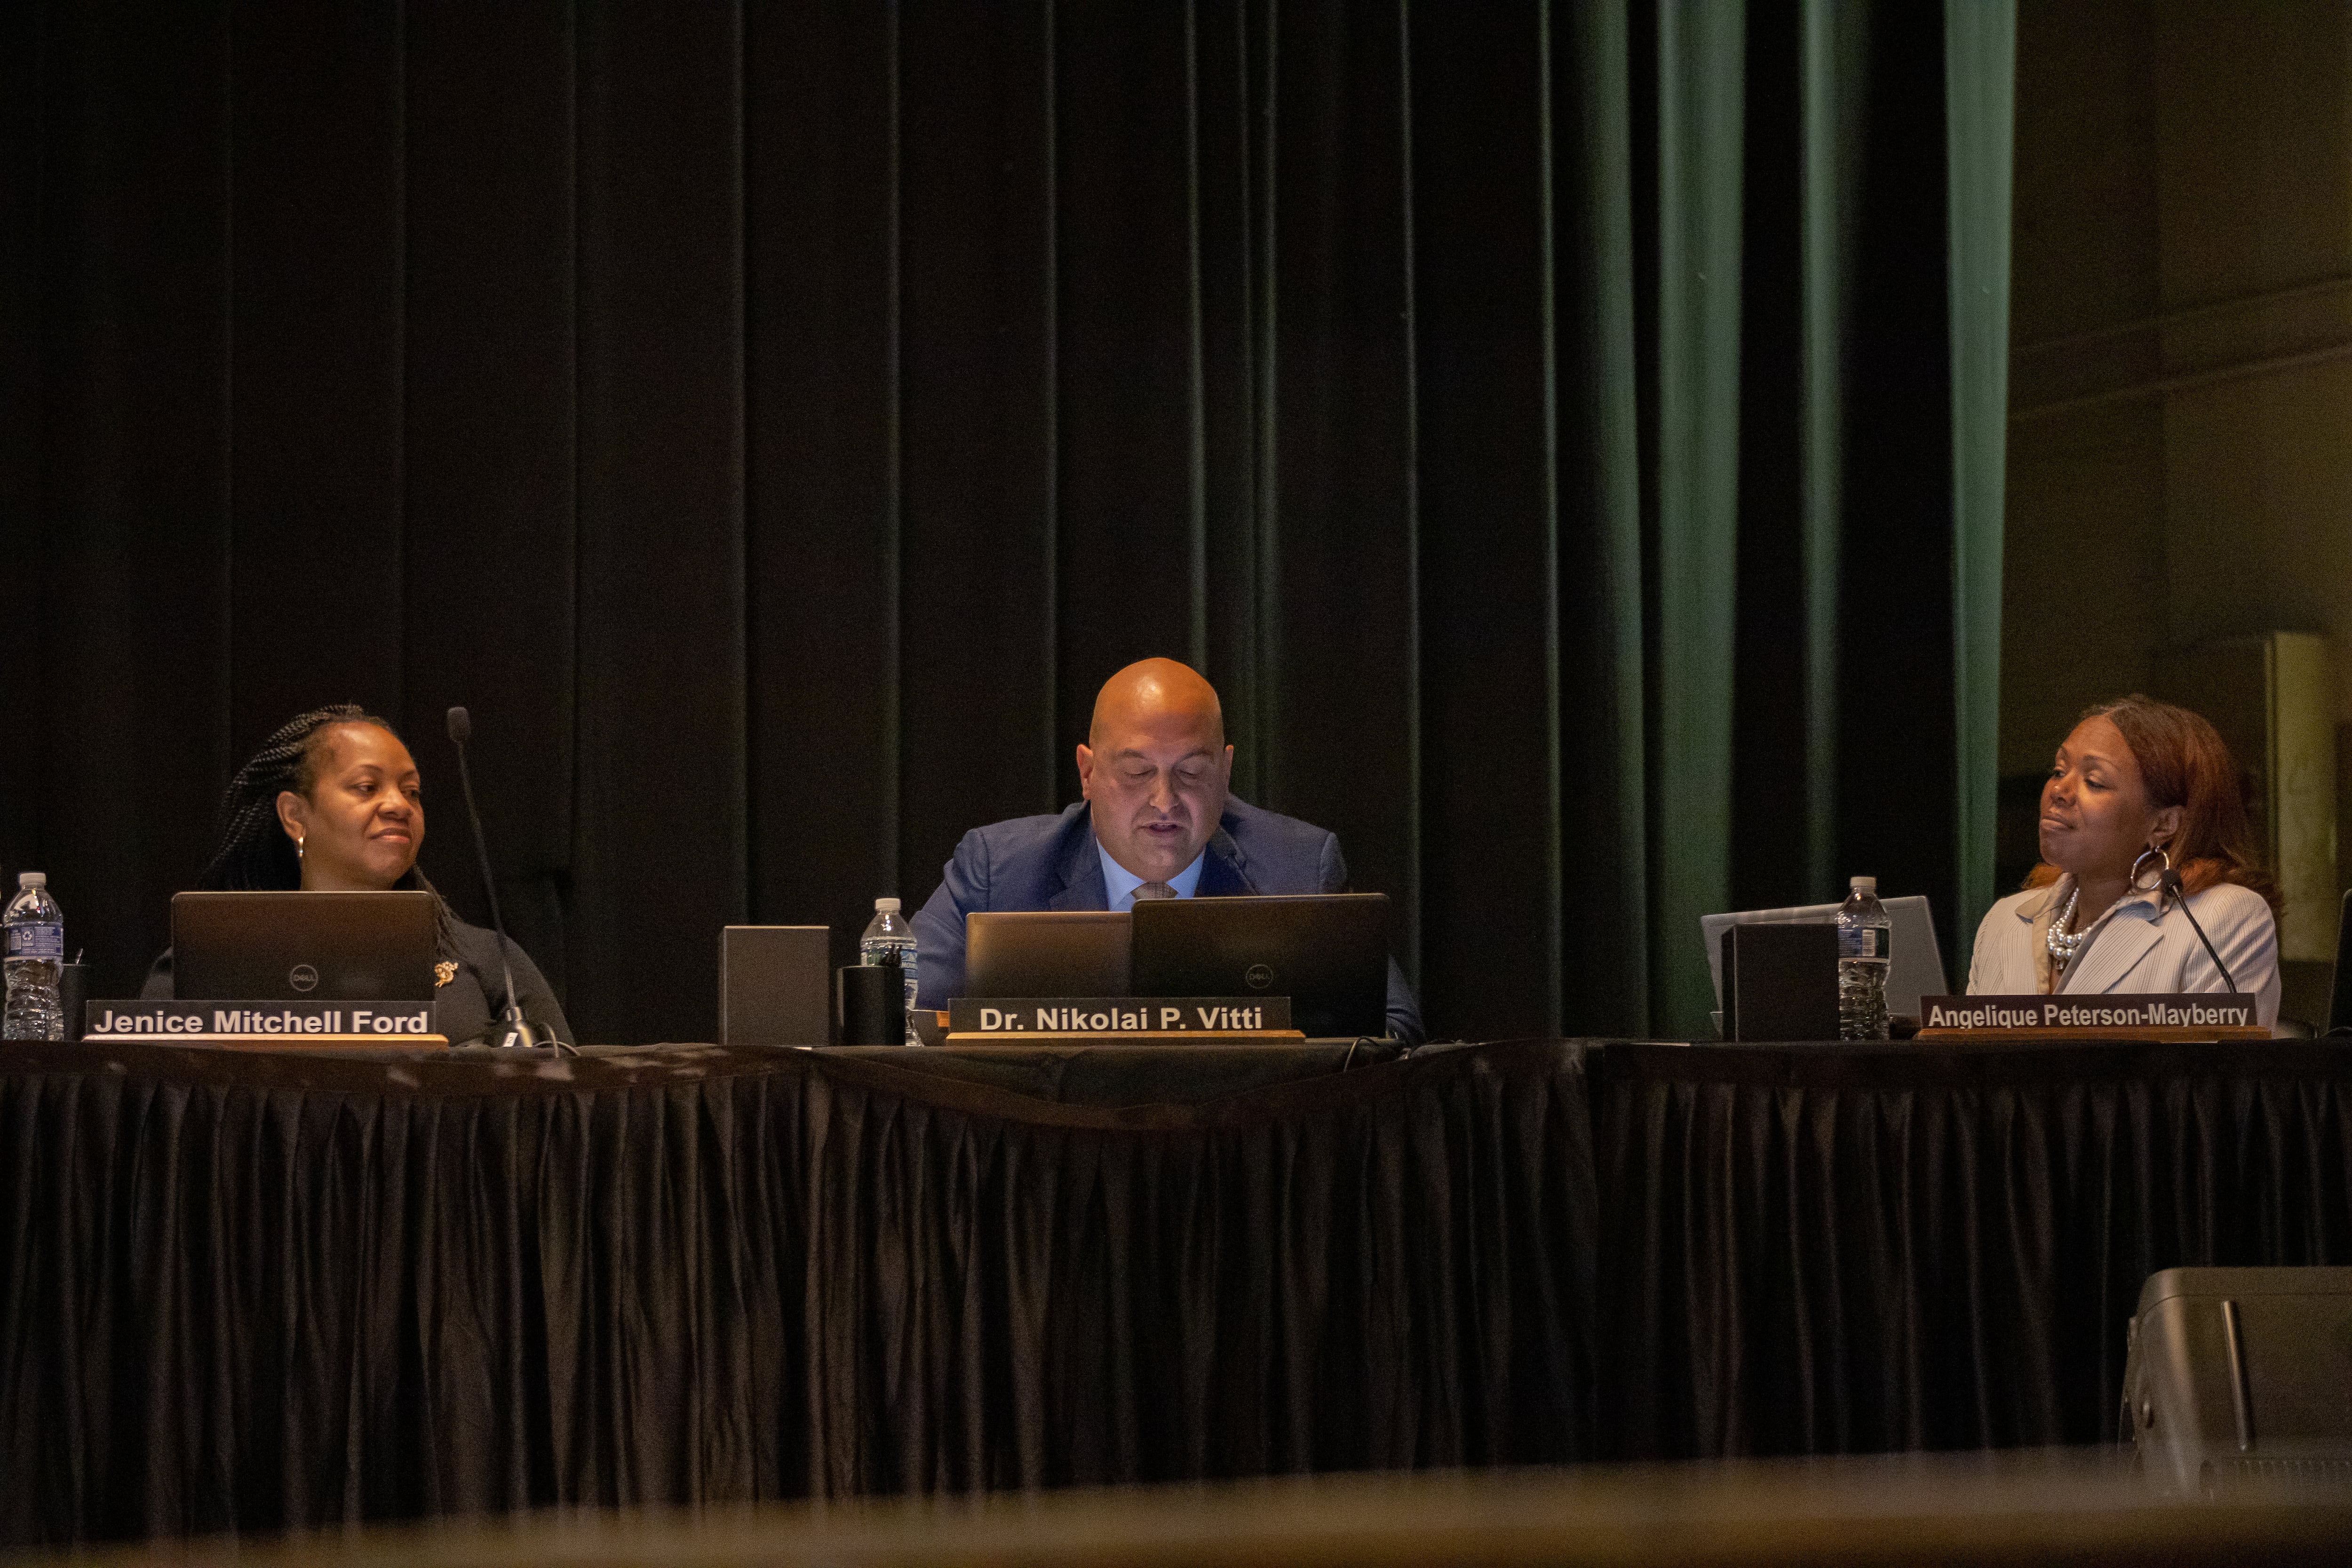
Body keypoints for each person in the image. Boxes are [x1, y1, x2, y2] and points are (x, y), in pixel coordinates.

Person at [914, 658, 1426, 1043]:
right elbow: (907, 1019)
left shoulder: (1298, 867)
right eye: (1137, 772)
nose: (1164, 801)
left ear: (1224, 774)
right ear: (1088, 773)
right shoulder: (998, 870)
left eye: (1190, 772)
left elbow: (1393, 1028)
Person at [143, 704, 574, 1048]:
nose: (399, 805)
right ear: (295, 815)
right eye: (367, 787)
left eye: (412, 792)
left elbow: (563, 1099)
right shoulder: (213, 957)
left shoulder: (491, 958)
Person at [1968, 695, 2281, 1028]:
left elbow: (2213, 1079)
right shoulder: (2004, 923)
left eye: (2094, 781)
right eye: (2059, 770)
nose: (2059, 789)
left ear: (2163, 824)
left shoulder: (2220, 920)